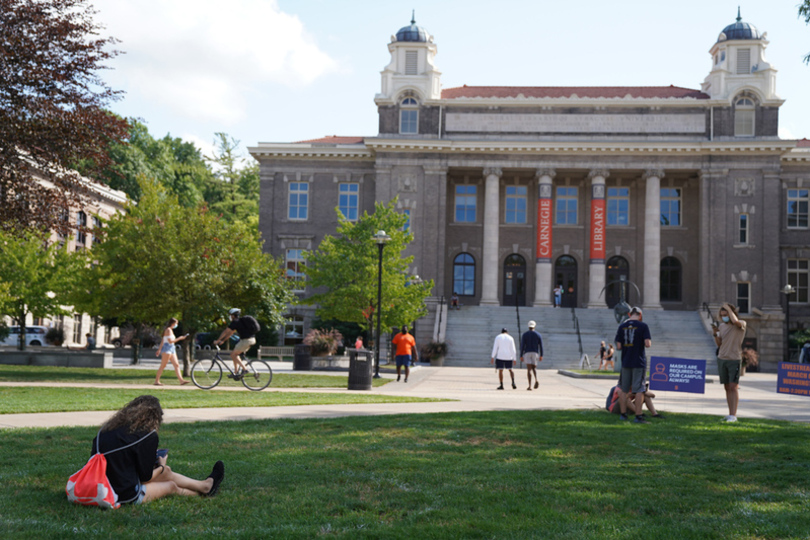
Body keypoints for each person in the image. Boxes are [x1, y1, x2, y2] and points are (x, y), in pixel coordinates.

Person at [89, 395, 223, 505]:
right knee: (170, 486)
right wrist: (161, 466)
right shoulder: (147, 435)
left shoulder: (105, 430)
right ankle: (202, 493)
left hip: (99, 485)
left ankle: (205, 486)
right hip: (123, 495)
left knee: (167, 472)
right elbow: (145, 477)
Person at [614, 306, 652, 423]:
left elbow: (619, 346)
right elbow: (647, 344)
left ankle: (623, 414)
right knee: (639, 389)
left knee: (623, 389)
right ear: (640, 315)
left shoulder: (621, 326)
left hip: (626, 361)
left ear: (630, 314)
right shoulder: (643, 326)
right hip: (638, 361)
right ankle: (638, 416)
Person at [713, 303, 747, 422]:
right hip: (722, 358)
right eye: (722, 315)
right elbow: (719, 344)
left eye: (725, 314)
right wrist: (715, 334)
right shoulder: (722, 326)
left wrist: (727, 307)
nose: (724, 317)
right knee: (727, 387)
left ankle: (734, 415)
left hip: (734, 359)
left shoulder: (741, 324)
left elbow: (736, 322)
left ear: (732, 313)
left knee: (733, 386)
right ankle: (729, 414)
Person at [214, 308, 259, 380]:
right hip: (251, 340)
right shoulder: (239, 322)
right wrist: (223, 341)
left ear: (233, 315)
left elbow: (226, 331)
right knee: (235, 354)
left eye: (230, 315)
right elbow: (230, 333)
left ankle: (245, 369)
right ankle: (236, 372)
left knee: (233, 354)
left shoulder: (235, 322)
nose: (230, 317)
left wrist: (218, 340)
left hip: (246, 341)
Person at [154, 318, 189, 386]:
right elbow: (170, 341)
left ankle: (181, 380)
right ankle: (156, 381)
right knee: (163, 365)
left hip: (172, 348)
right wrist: (180, 338)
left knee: (176, 365)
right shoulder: (168, 330)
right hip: (167, 348)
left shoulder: (170, 330)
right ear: (173, 323)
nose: (177, 325)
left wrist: (159, 349)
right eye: (176, 323)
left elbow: (163, 340)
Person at [520, 320, 543, 390]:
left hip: (527, 352)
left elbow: (522, 345)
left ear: (528, 326)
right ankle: (536, 379)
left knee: (529, 369)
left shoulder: (525, 334)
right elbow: (541, 346)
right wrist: (541, 354)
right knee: (534, 368)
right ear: (534, 326)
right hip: (535, 352)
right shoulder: (538, 335)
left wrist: (521, 355)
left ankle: (529, 385)